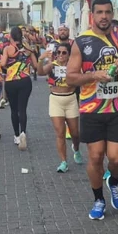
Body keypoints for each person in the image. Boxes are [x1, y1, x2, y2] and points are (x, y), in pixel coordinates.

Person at [65, 0, 118, 220]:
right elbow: (70, 78)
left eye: (108, 12)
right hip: (91, 108)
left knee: (117, 159)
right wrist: (93, 75)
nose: (104, 16)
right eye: (100, 12)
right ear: (92, 15)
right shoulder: (81, 42)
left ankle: (113, 180)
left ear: (112, 14)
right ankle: (99, 200)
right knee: (95, 157)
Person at [39, 41, 81, 171]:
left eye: (64, 53)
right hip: (56, 100)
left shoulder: (73, 67)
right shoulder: (52, 65)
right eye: (58, 53)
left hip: (71, 99)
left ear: (69, 55)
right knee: (60, 133)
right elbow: (40, 72)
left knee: (75, 132)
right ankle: (63, 162)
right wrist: (41, 60)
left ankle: (76, 149)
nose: (61, 55)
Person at [0, 25, 37, 151]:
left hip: (11, 81)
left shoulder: (8, 49)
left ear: (11, 36)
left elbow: (3, 64)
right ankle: (23, 133)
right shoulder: (28, 49)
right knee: (23, 109)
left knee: (14, 110)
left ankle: (16, 135)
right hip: (25, 81)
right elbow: (35, 65)